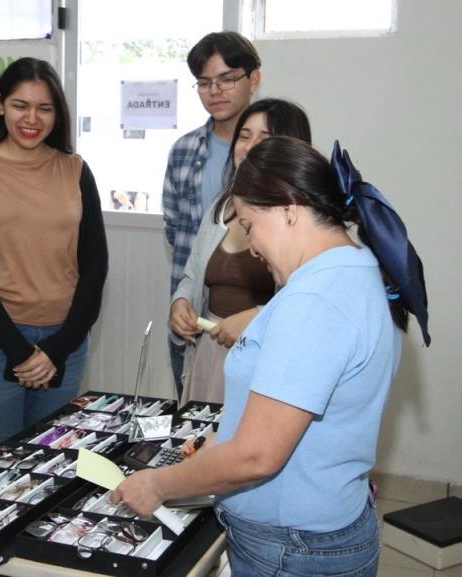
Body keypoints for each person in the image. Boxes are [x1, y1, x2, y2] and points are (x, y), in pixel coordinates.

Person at [114, 136, 431, 577]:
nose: (251, 245)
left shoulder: (315, 300)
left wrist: (158, 484)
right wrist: (220, 447)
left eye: (248, 223)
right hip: (323, 527)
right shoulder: (358, 270)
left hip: (292, 548)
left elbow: (257, 457)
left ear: (288, 208)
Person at [0, 58, 108, 449]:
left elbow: (95, 264)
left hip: (65, 341)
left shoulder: (75, 170)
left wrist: (57, 349)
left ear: (58, 114)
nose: (31, 118)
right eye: (21, 105)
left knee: (51, 458)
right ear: (0, 105)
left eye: (45, 108)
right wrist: (20, 352)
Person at [170, 98, 311, 404]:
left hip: (264, 364)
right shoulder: (220, 208)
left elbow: (311, 305)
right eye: (244, 136)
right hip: (209, 353)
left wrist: (259, 317)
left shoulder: (304, 221)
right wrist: (181, 301)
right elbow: (193, 274)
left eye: (265, 138)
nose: (249, 146)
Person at [164, 31, 261, 397]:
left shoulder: (281, 156)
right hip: (194, 327)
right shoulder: (184, 150)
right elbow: (177, 234)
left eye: (227, 79)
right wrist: (180, 301)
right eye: (204, 83)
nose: (214, 91)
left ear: (254, 79)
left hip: (260, 337)